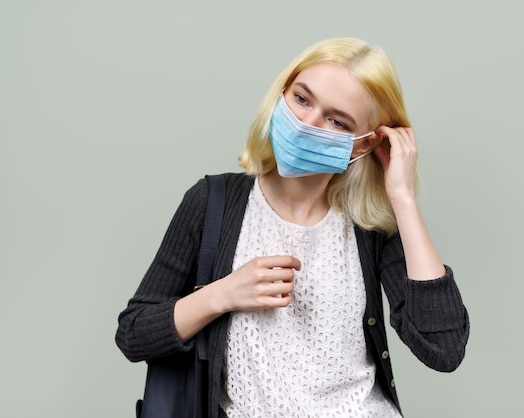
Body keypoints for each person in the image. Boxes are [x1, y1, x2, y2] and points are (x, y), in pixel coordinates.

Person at [116, 37, 469, 418]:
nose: (306, 123)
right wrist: (222, 294)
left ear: (362, 145)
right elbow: (134, 334)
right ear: (281, 93)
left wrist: (402, 199)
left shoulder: (371, 227)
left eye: (337, 121)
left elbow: (443, 349)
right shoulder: (211, 201)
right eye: (302, 99)